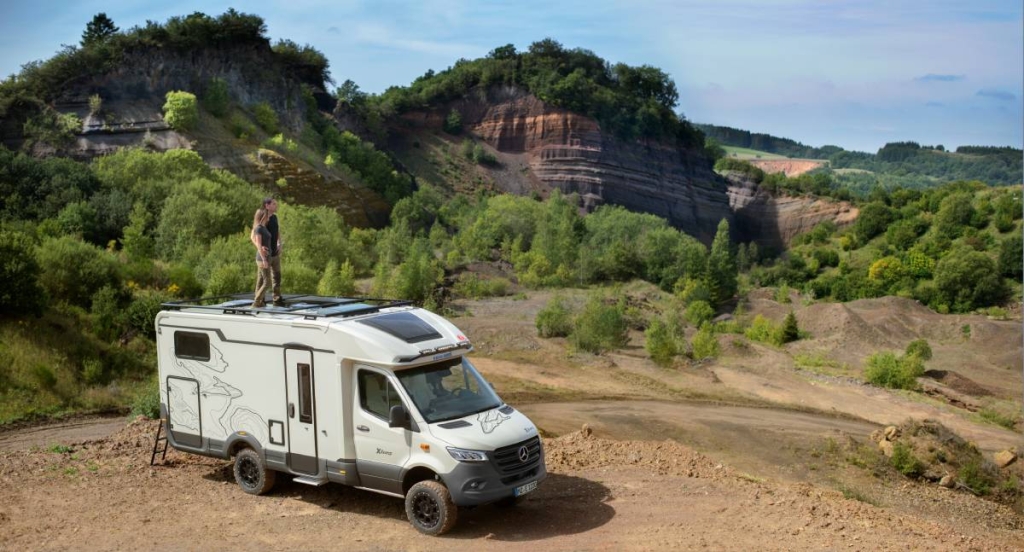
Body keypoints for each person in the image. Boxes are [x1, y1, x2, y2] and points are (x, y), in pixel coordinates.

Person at [261, 197, 284, 306]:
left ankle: (277, 298)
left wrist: (280, 243)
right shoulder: (263, 219)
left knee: (277, 276)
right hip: (266, 254)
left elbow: (277, 231)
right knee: (263, 279)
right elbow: (256, 235)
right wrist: (260, 247)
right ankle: (260, 300)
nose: (276, 206)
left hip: (275, 252)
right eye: (274, 204)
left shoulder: (275, 217)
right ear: (267, 205)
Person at [251, 207, 272, 308]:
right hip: (262, 258)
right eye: (267, 215)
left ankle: (259, 302)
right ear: (263, 216)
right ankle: (257, 301)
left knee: (260, 281)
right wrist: (264, 259)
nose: (269, 217)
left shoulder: (263, 227)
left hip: (267, 256)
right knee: (267, 282)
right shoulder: (258, 228)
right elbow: (259, 244)